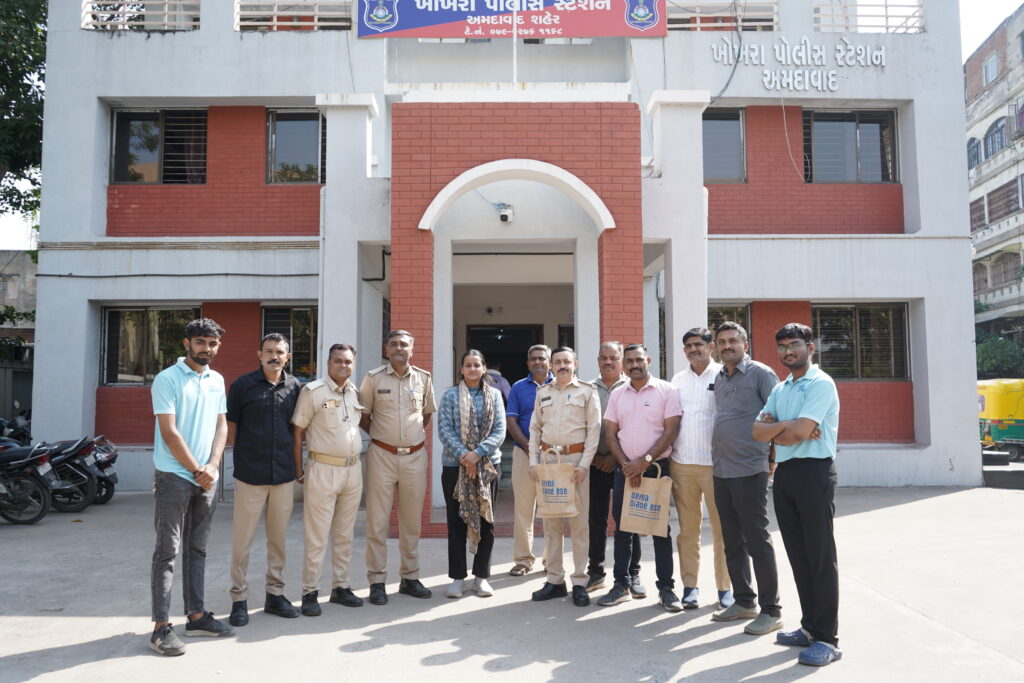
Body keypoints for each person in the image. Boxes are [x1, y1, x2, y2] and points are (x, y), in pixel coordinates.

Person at [752, 323, 842, 667]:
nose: (788, 352)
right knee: (799, 555)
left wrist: (781, 429)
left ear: (810, 347)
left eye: (794, 345)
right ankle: (808, 628)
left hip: (815, 472)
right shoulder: (781, 386)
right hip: (787, 474)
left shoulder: (821, 384)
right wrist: (785, 430)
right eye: (782, 347)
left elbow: (800, 432)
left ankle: (827, 639)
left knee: (820, 556)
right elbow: (757, 431)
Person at [148, 318, 234, 656]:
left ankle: (196, 617)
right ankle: (160, 627)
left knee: (197, 549)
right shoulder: (167, 379)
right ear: (187, 344)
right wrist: (197, 468)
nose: (206, 349)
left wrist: (213, 466)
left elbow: (222, 426)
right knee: (167, 551)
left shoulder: (217, 380)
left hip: (205, 477)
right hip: (174, 476)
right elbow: (169, 433)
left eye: (212, 343)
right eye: (200, 342)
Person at [597, 344, 683, 612]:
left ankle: (666, 589)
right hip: (626, 470)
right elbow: (611, 433)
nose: (634, 364)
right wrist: (625, 464)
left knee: (660, 530)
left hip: (656, 468)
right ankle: (621, 585)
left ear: (648, 360)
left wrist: (643, 462)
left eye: (639, 359)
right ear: (624, 363)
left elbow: (671, 431)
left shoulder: (666, 390)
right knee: (623, 527)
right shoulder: (618, 395)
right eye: (630, 360)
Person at [710, 321, 783, 636]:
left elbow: (780, 416)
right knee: (731, 540)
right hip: (722, 470)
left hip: (750, 469)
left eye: (732, 341)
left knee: (757, 540)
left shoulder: (761, 374)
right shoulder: (720, 377)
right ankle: (744, 601)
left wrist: (773, 459)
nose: (727, 346)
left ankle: (771, 610)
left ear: (745, 344)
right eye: (721, 342)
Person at [226, 333, 302, 626]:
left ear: (287, 357)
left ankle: (275, 595)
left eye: (279, 352)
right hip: (250, 475)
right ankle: (238, 598)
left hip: (282, 475)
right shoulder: (242, 386)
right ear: (259, 354)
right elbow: (231, 427)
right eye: (268, 351)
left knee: (278, 540)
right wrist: (243, 456)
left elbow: (297, 429)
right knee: (242, 541)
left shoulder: (295, 387)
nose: (274, 356)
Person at [359, 330, 437, 605]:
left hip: (415, 457)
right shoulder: (372, 378)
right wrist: (386, 438)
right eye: (393, 344)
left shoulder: (424, 379)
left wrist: (408, 441)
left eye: (404, 344)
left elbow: (426, 415)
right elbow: (364, 417)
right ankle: (377, 580)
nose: (398, 348)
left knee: (411, 521)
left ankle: (410, 577)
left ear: (412, 349)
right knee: (377, 521)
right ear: (386, 349)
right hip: (382, 455)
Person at [292, 344, 366, 616]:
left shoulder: (355, 392)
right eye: (338, 361)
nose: (343, 366)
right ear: (327, 362)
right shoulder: (313, 392)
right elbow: (298, 431)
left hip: (352, 470)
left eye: (348, 362)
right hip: (322, 469)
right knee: (317, 535)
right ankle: (310, 592)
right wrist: (297, 468)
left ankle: (341, 587)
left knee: (345, 533)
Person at [528, 346, 602, 607]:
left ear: (576, 364)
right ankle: (555, 580)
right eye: (557, 362)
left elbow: (594, 430)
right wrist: (534, 462)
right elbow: (535, 428)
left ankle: (580, 582)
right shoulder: (542, 393)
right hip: (549, 463)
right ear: (550, 365)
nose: (562, 366)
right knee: (552, 525)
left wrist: (584, 464)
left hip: (575, 464)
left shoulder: (586, 391)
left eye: (566, 362)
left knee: (580, 526)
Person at [669, 328, 732, 610]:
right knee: (687, 531)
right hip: (683, 464)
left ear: (710, 347)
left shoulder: (724, 375)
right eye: (688, 346)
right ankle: (690, 586)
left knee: (723, 530)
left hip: (716, 466)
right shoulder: (677, 380)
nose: (694, 349)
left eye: (699, 344)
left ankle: (725, 588)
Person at [438, 350, 506, 598]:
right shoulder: (450, 395)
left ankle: (481, 577)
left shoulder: (495, 396)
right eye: (468, 365)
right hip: (455, 467)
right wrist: (464, 457)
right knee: (456, 522)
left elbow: (500, 430)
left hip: (487, 467)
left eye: (477, 364)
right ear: (462, 369)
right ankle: (457, 577)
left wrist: (477, 454)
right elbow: (444, 431)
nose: (473, 369)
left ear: (484, 368)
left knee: (486, 521)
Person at [585, 341, 641, 595]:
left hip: (625, 463)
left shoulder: (632, 387)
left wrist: (615, 459)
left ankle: (633, 573)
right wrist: (596, 456)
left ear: (620, 360)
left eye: (613, 357)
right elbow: (582, 425)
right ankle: (596, 571)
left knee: (630, 519)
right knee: (595, 519)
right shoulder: (587, 388)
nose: (608, 362)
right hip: (595, 462)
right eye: (603, 357)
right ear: (597, 360)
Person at [505, 344, 554, 577]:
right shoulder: (517, 387)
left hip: (554, 456)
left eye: (542, 359)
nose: (537, 362)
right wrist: (529, 447)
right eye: (533, 359)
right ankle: (523, 559)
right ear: (528, 363)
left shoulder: (561, 385)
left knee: (552, 508)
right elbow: (512, 420)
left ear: (550, 362)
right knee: (524, 509)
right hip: (523, 453)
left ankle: (550, 559)